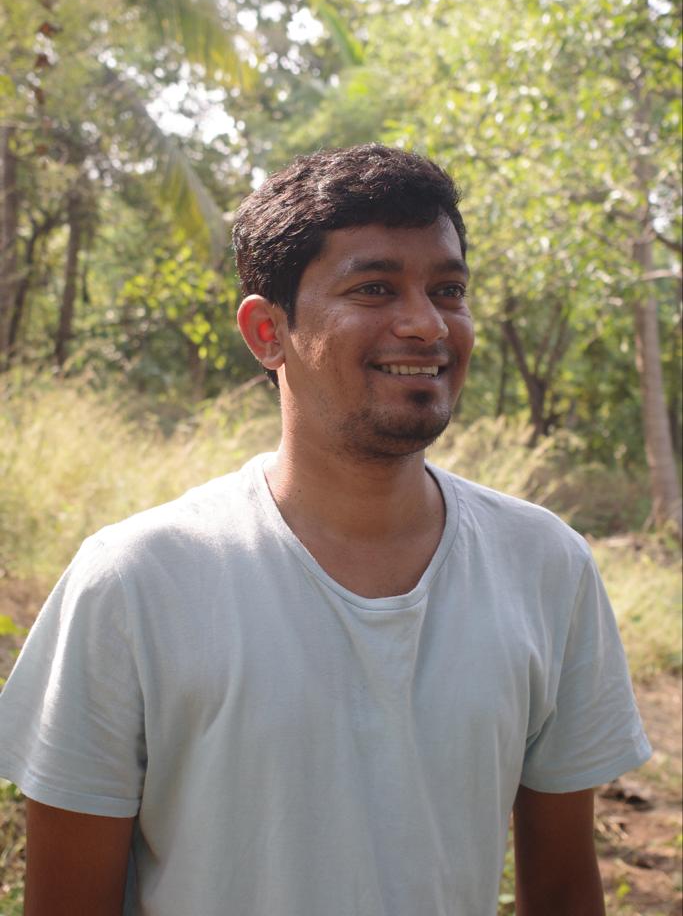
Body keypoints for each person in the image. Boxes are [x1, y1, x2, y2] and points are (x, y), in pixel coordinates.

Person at [0, 143, 651, 916]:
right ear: (266, 332)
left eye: (447, 290)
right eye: (373, 288)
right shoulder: (136, 581)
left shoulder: (544, 565)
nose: (425, 324)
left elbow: (565, 888)